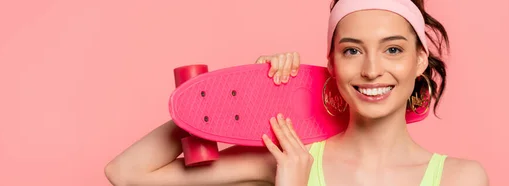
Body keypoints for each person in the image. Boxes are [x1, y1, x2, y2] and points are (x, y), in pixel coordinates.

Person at [104, 0, 489, 185]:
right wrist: (211, 100)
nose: (372, 69)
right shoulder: (289, 160)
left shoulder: (459, 179)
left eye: (393, 49)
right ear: (331, 63)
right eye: (352, 50)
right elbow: (125, 174)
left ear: (420, 60)